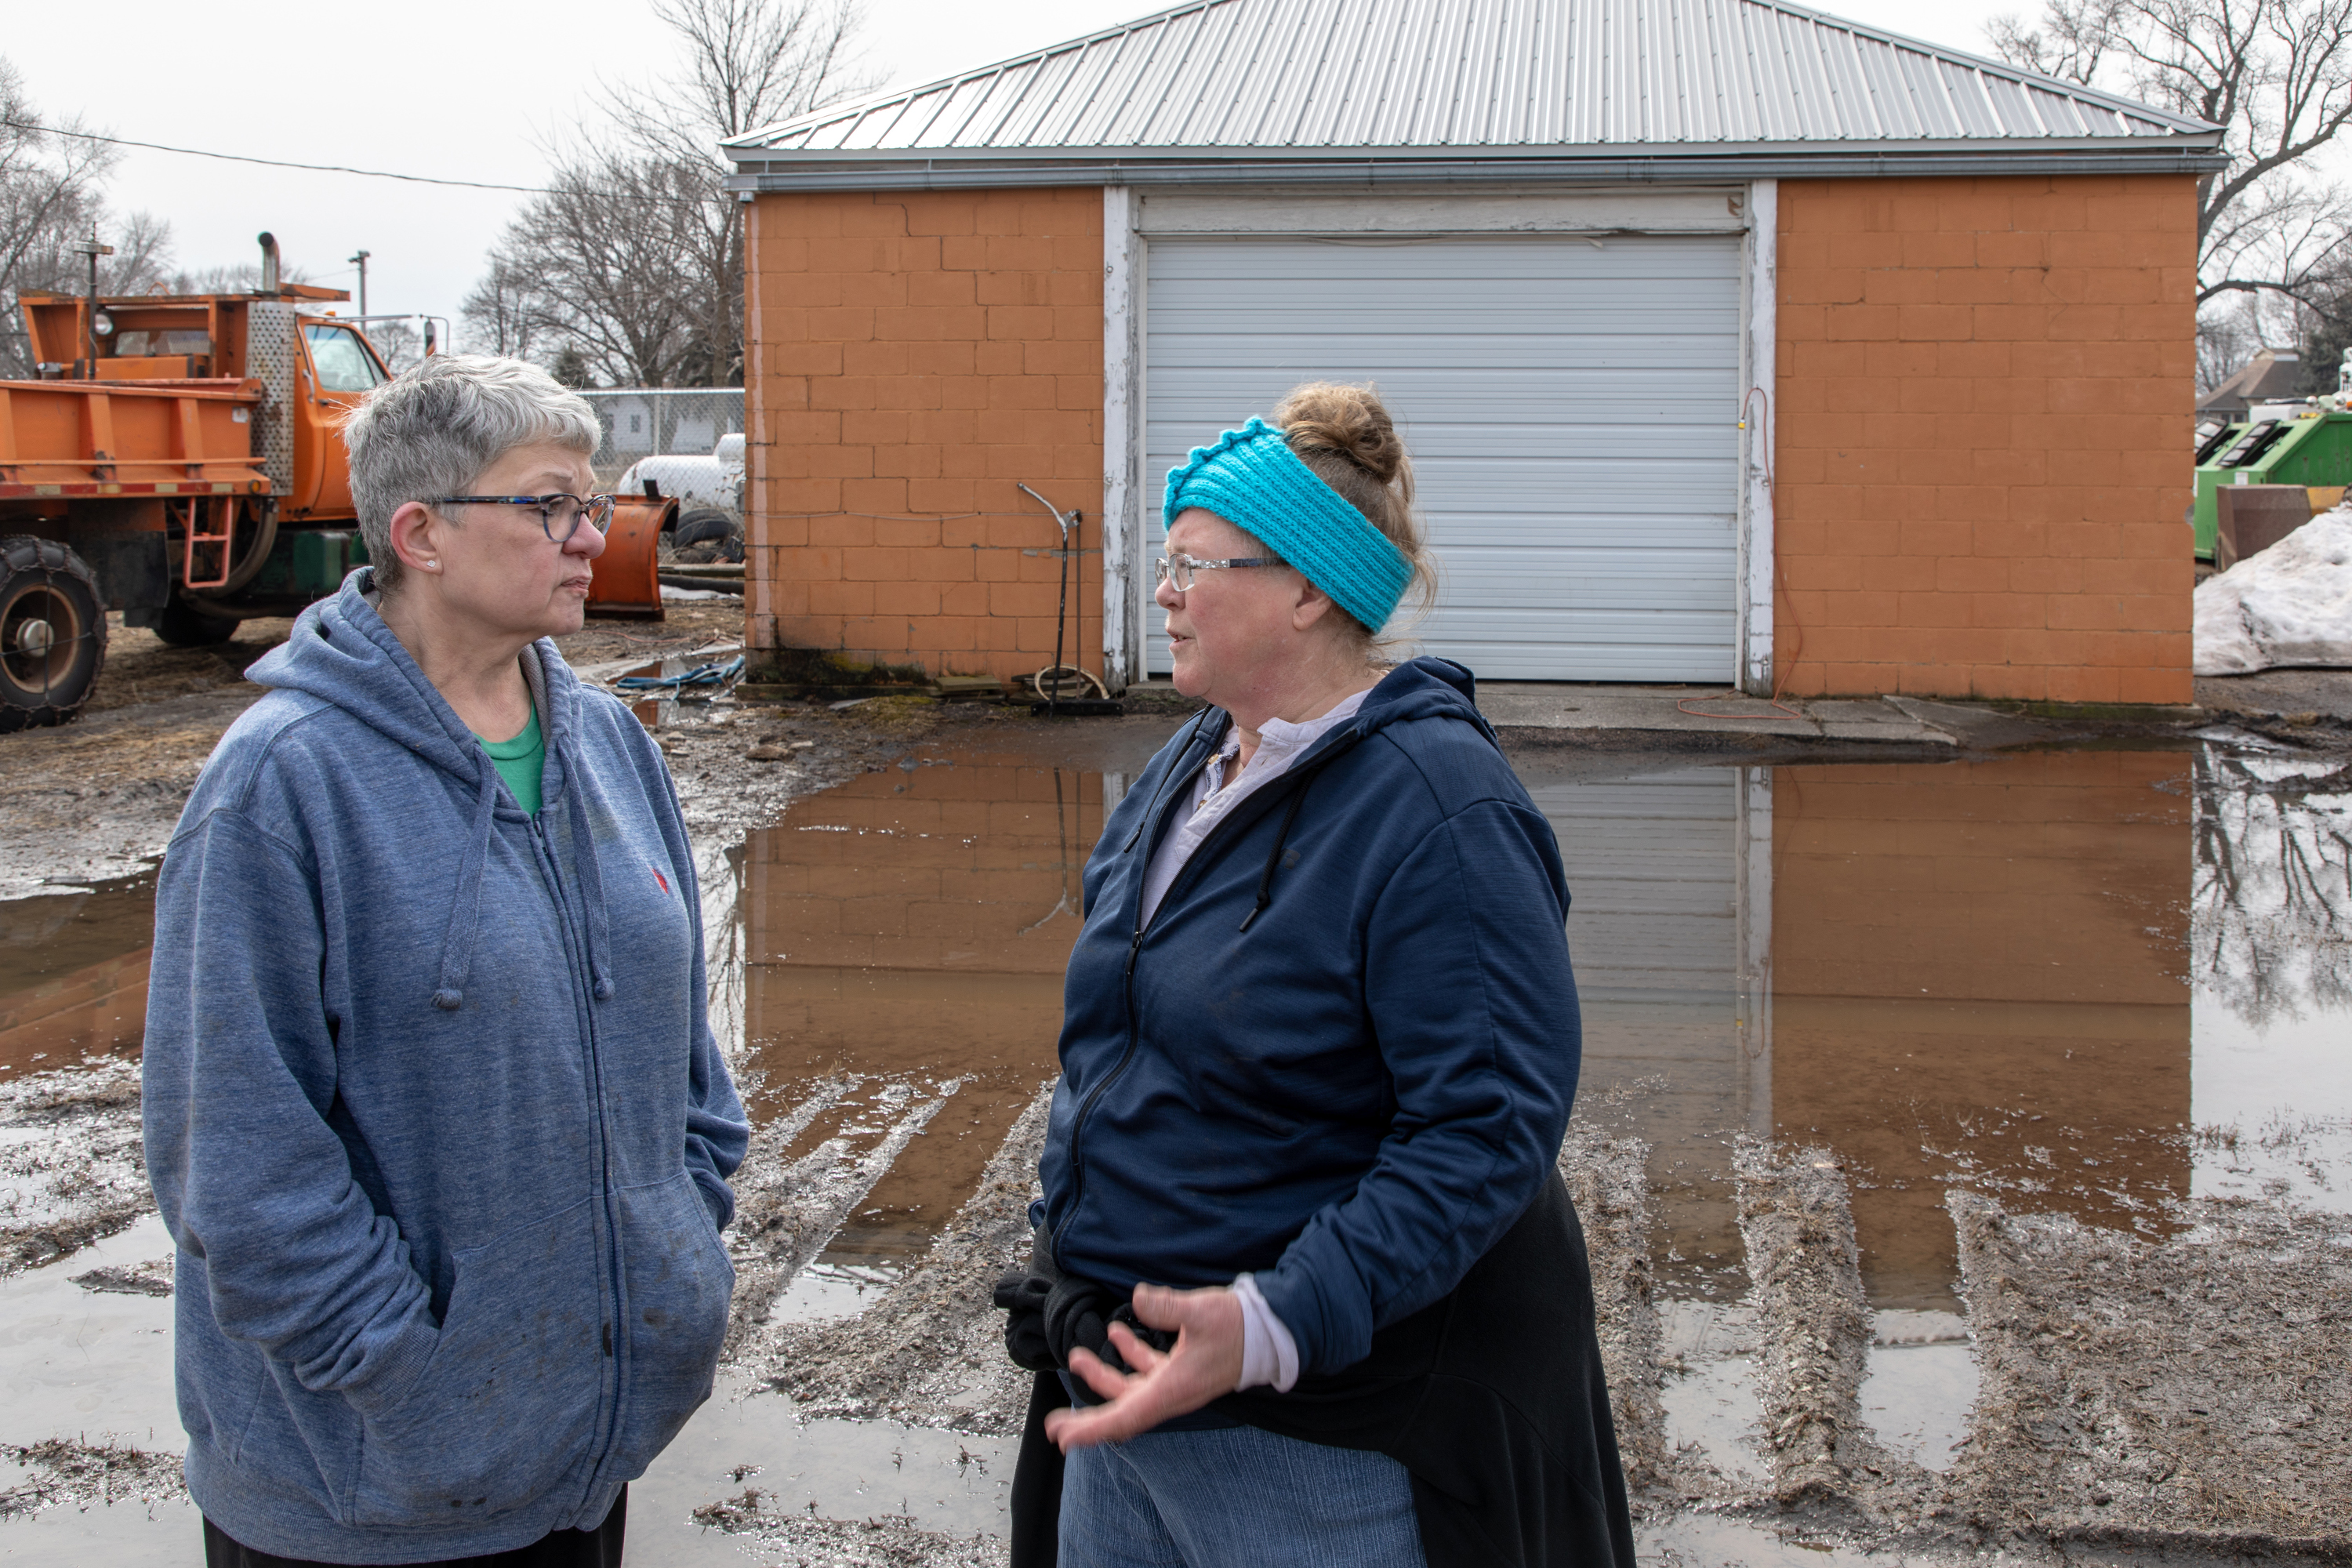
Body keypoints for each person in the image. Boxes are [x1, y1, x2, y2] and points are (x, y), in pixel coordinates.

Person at [996, 383, 1635, 1568]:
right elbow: (1115, 1042)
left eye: (1198, 566)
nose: (1162, 593)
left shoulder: (1442, 811)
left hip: (1319, 1448)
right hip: (1127, 1400)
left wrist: (1273, 1321)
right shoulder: (1193, 762)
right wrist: (1068, 1239)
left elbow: (1485, 1128)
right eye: (1165, 561)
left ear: (1305, 589)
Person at [142, 355, 749, 1567]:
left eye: (591, 502)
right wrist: (412, 1377)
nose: (592, 534)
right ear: (419, 533)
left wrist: (677, 1242)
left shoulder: (610, 743)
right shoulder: (283, 782)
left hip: (577, 1464)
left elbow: (686, 1063)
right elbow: (237, 1167)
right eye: (549, 505)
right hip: (366, 1497)